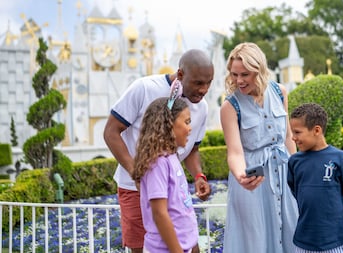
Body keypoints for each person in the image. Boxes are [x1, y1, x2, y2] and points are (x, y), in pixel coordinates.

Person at [103, 49, 213, 253]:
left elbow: (193, 149)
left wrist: (198, 175)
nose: (204, 89)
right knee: (144, 246)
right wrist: (137, 173)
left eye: (209, 82)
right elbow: (111, 132)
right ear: (180, 74)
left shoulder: (202, 107)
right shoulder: (144, 88)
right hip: (134, 189)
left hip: (172, 189)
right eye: (198, 83)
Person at [220, 42, 298, 253]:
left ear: (259, 70)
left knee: (292, 231)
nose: (238, 80)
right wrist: (241, 176)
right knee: (255, 241)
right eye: (234, 74)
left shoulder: (280, 92)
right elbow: (235, 152)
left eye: (245, 74)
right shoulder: (230, 106)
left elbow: (288, 137)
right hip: (252, 182)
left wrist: (299, 172)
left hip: (284, 175)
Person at [287, 103, 343, 252]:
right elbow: (296, 191)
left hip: (338, 242)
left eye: (297, 132)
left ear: (317, 130)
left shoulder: (341, 158)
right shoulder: (294, 162)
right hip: (304, 243)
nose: (293, 138)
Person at [132, 97, 199, 253]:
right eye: (187, 122)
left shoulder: (171, 158)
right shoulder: (158, 163)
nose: (190, 128)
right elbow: (159, 213)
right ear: (169, 126)